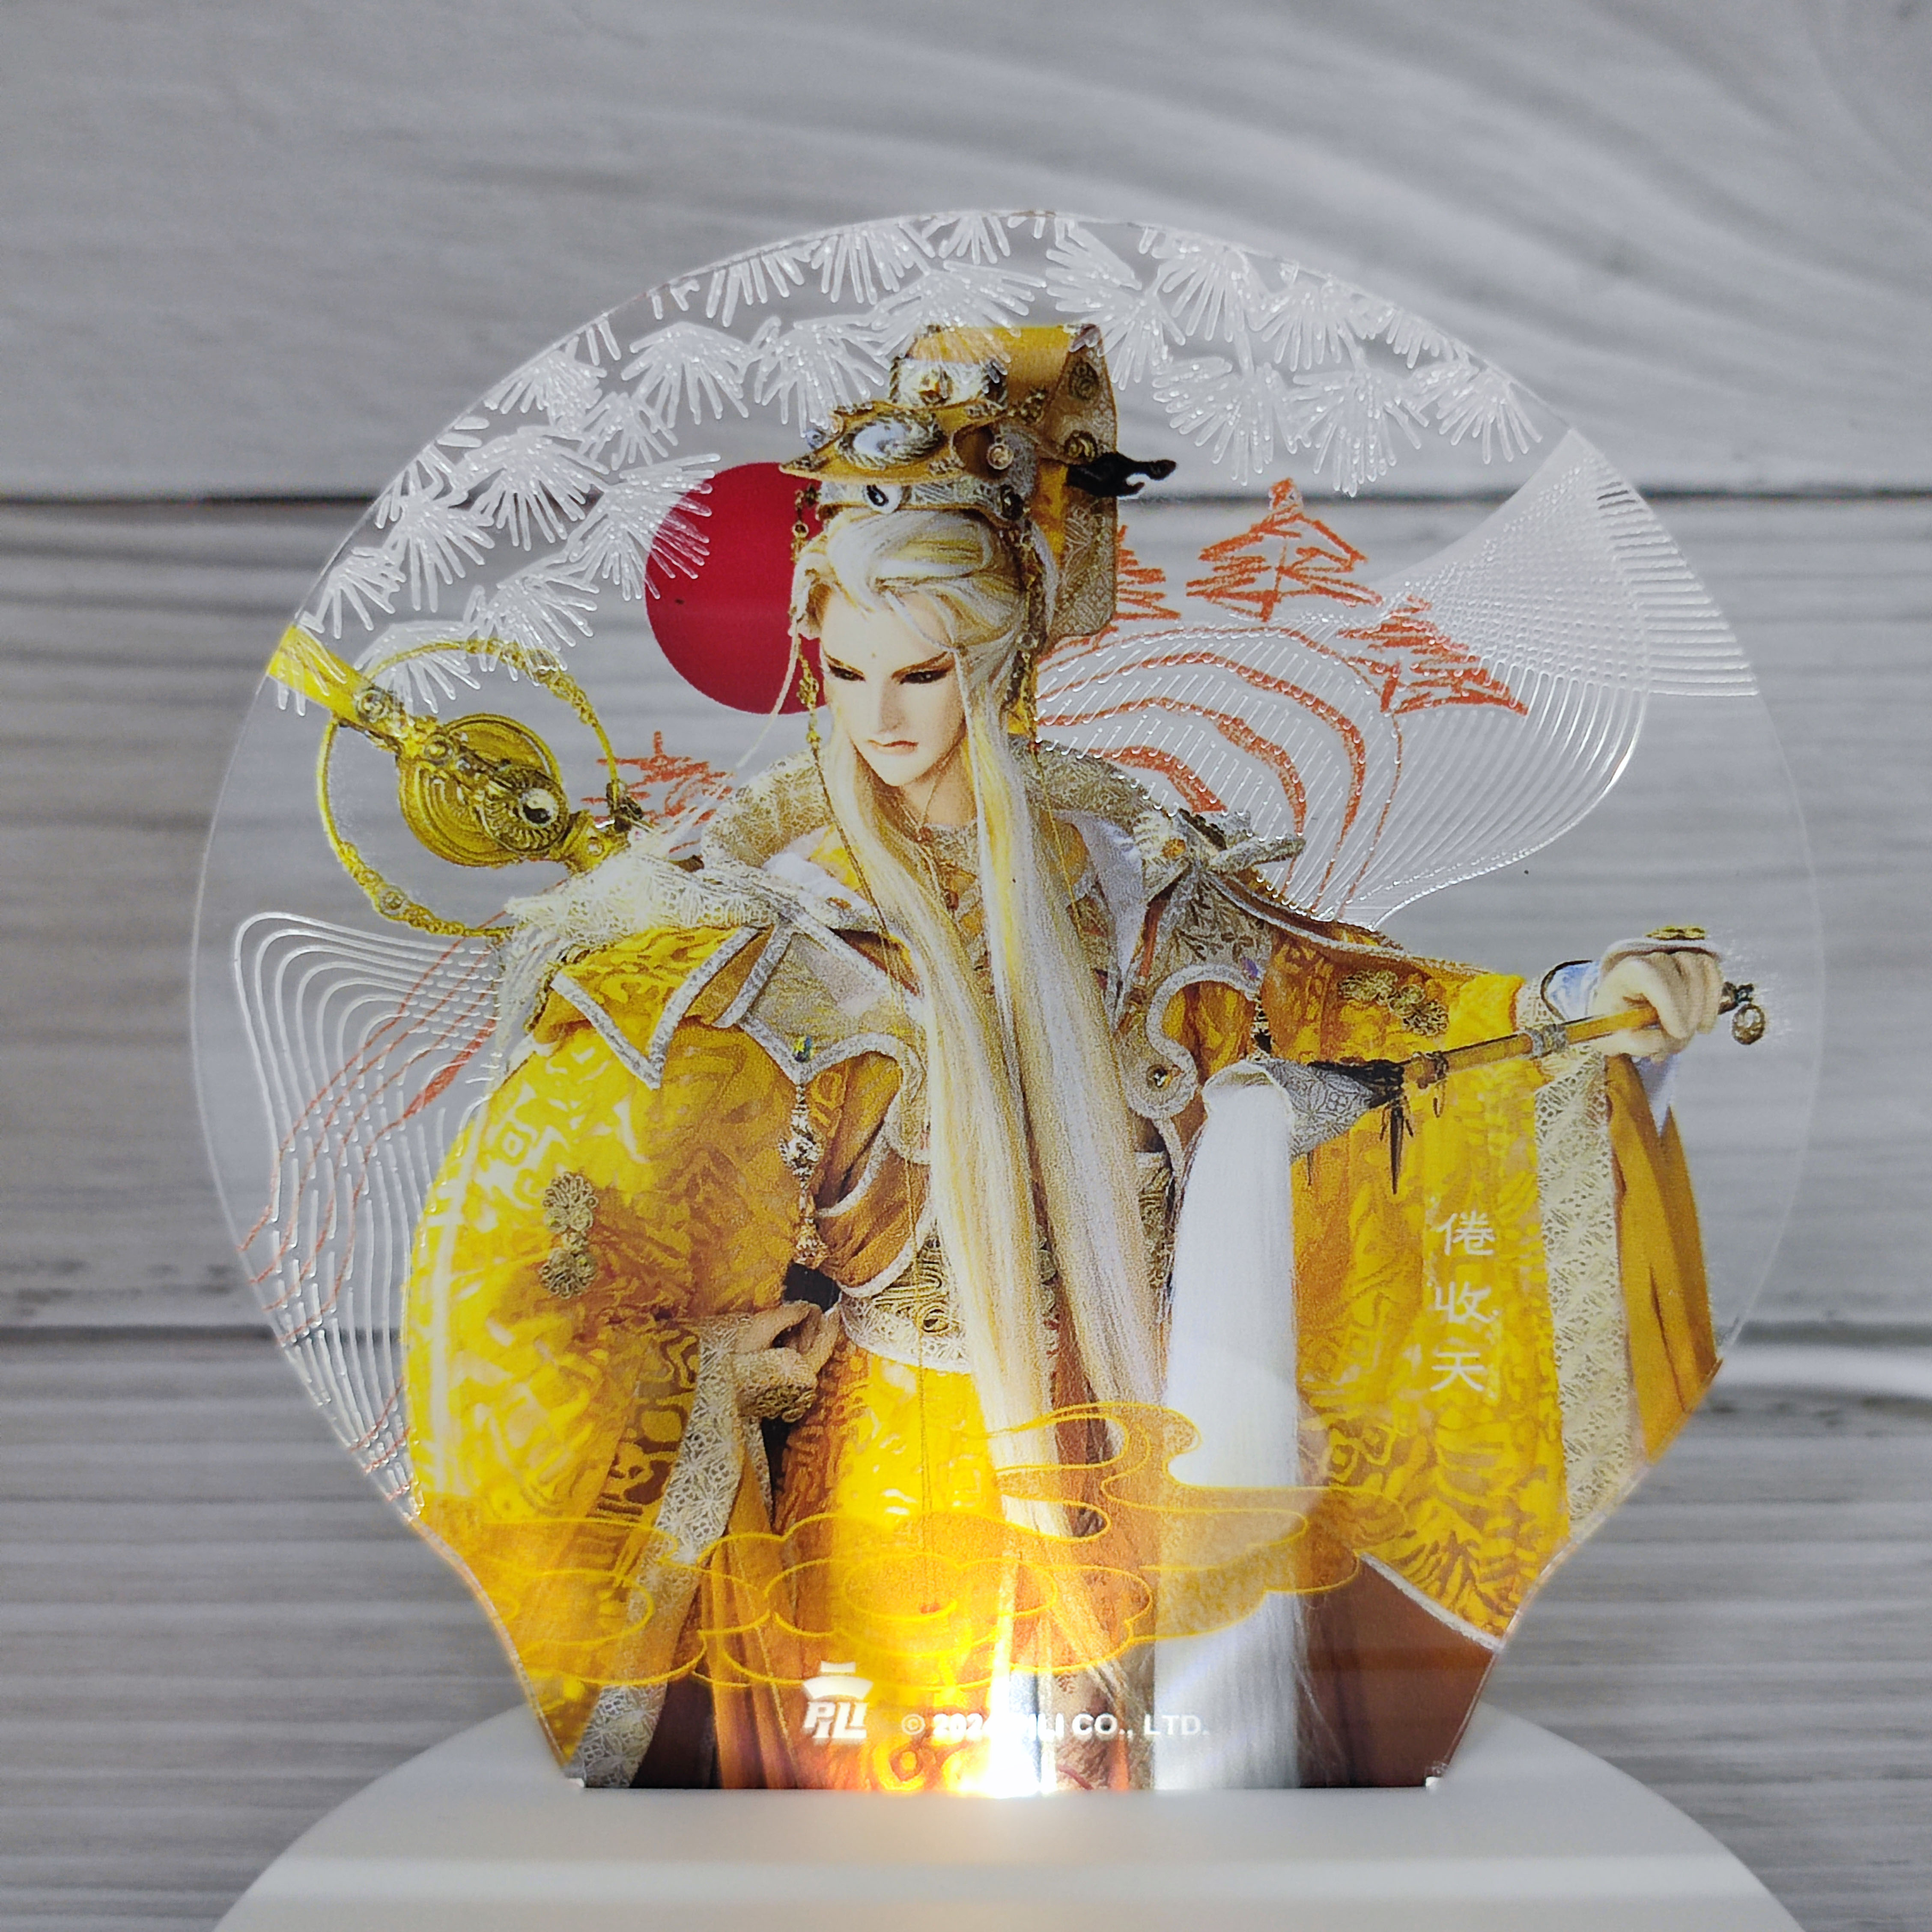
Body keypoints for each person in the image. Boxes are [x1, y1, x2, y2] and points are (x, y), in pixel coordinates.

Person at [399, 326, 1724, 1792]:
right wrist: (710, 1370)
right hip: (892, 1469)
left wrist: (1579, 1004)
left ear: (1005, 657)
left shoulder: (1135, 885)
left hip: (1146, 1425)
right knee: (910, 1823)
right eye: (847, 671)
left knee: (1149, 1788)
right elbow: (533, 1260)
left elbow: (1356, 1016)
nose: (883, 719)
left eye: (925, 674)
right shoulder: (752, 940)